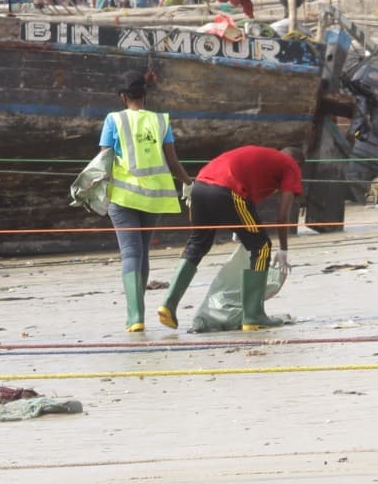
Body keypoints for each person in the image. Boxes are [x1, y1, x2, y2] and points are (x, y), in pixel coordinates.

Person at [156, 144, 303, 332]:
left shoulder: (264, 159)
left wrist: (239, 229)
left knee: (197, 244)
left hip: (199, 186)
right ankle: (253, 315)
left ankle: (168, 304)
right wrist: (283, 249)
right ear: (298, 165)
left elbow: (246, 203)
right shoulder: (291, 166)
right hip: (226, 190)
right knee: (262, 247)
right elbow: (283, 215)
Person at [98, 71, 193, 333]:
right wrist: (188, 181)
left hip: (123, 196)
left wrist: (93, 189)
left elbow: (104, 160)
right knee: (142, 251)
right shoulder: (161, 121)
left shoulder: (113, 120)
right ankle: (138, 316)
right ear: (145, 96)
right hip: (153, 198)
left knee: (130, 253)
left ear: (122, 97)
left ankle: (135, 317)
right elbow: (172, 162)